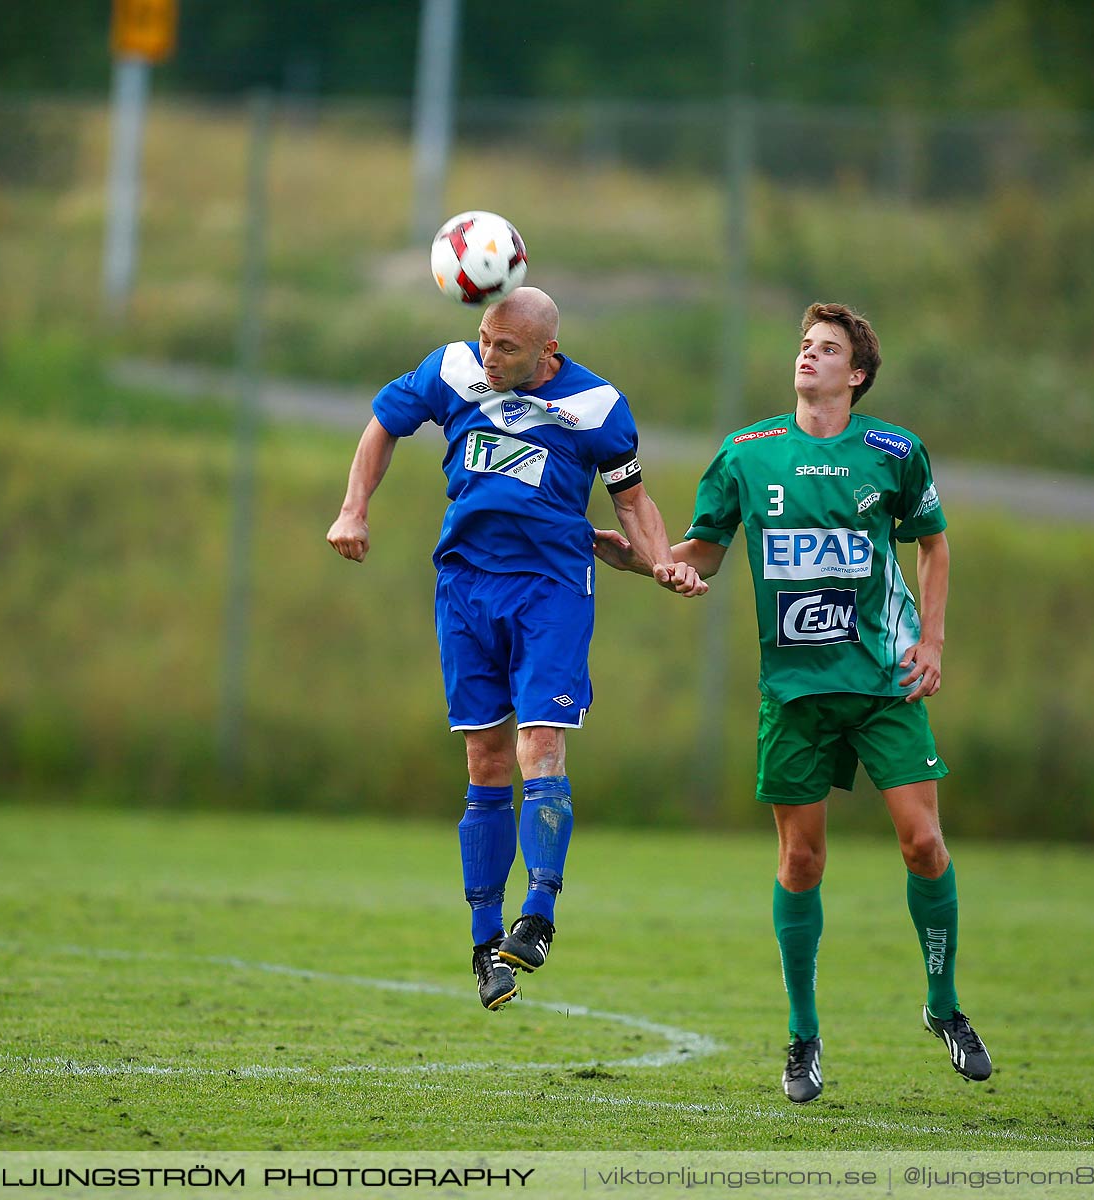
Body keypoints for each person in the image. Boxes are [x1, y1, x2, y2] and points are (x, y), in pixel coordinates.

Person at [594, 301, 990, 1100]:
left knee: (923, 844)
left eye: (829, 348)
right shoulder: (748, 453)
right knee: (801, 860)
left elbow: (934, 543)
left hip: (884, 684)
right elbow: (700, 554)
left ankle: (944, 1008)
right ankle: (804, 1038)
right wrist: (647, 562)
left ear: (859, 374)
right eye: (805, 345)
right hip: (796, 694)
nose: (810, 356)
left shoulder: (893, 452)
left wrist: (934, 642)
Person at [326, 286, 707, 1012]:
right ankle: (483, 946)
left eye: (507, 348)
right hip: (466, 587)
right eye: (484, 340)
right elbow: (383, 425)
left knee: (540, 743)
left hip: (551, 589)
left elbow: (632, 499)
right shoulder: (451, 370)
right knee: (485, 759)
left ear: (547, 353)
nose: (489, 357)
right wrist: (353, 507)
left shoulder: (596, 405)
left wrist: (663, 562)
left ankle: (538, 915)